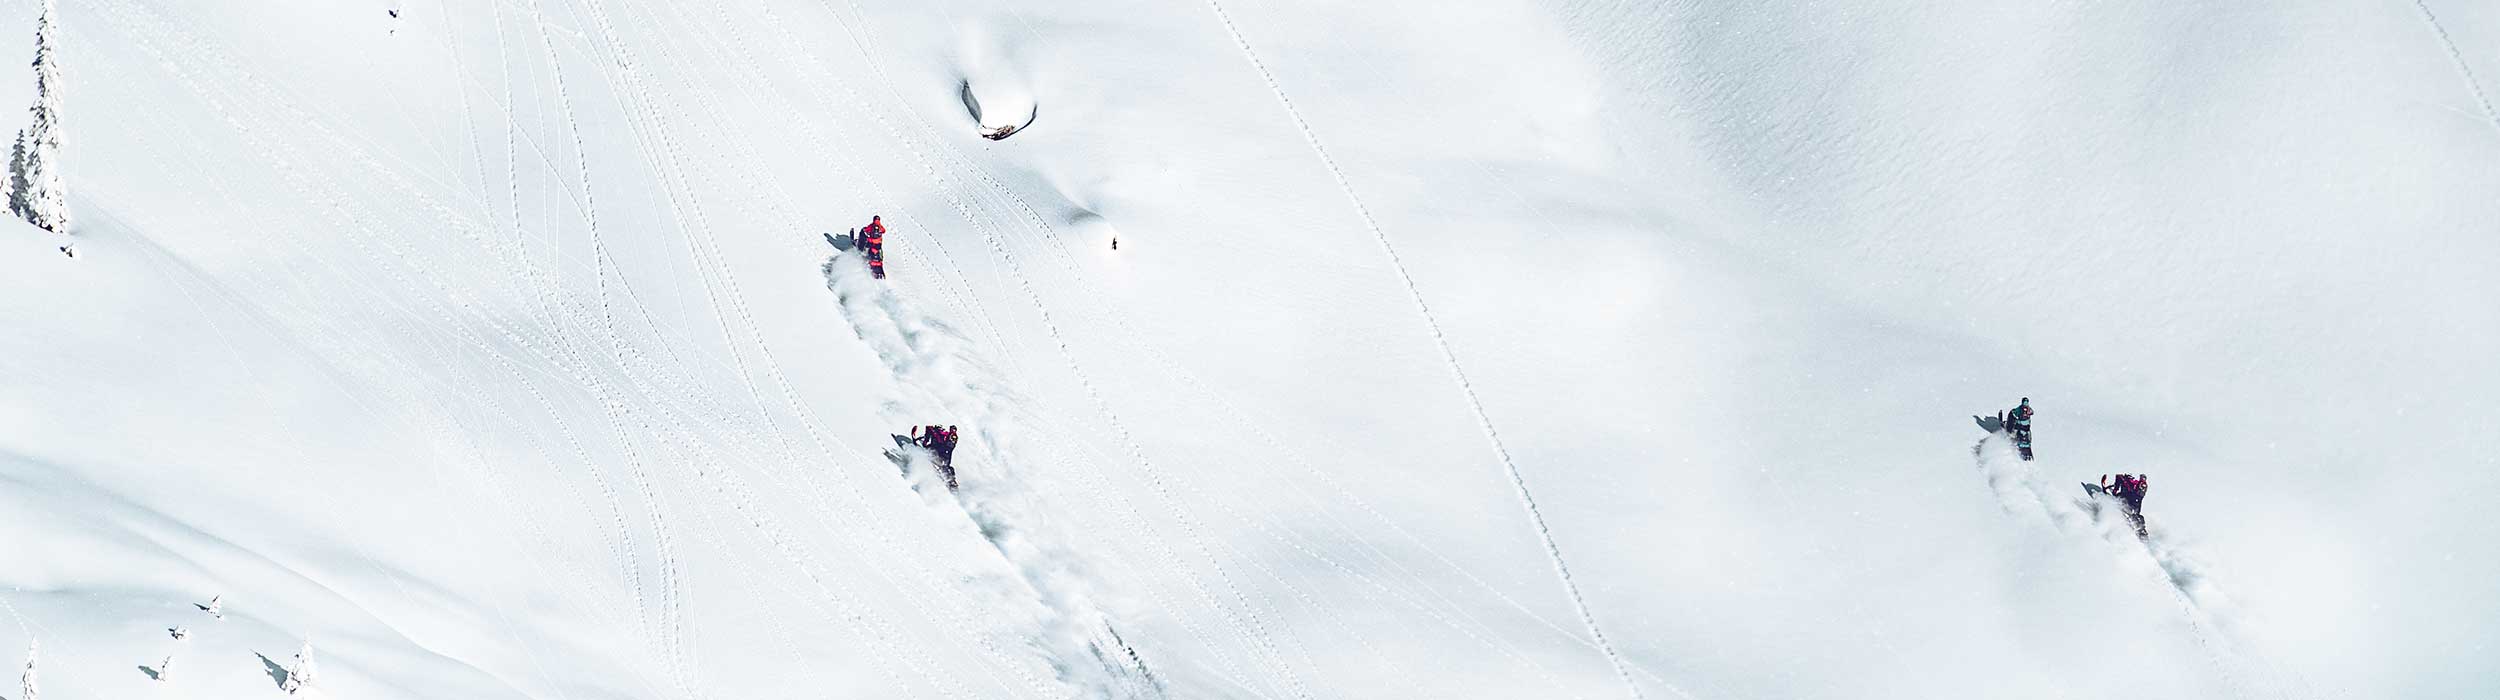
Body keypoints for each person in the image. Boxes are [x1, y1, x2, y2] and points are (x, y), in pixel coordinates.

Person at [2099, 473, 2149, 538]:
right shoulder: (2134, 483)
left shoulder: (2132, 483)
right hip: (2132, 504)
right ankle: (2141, 531)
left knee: (2137, 516)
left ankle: (2141, 531)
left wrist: (2115, 491)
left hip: (2129, 503)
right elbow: (2119, 477)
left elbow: (2119, 477)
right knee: (2137, 516)